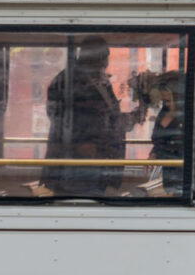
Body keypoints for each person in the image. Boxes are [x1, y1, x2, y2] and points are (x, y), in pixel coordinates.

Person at [45, 37, 133, 197]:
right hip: (78, 160)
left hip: (101, 158)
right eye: (104, 56)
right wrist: (78, 143)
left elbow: (107, 115)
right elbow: (60, 116)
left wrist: (127, 119)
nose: (106, 62)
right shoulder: (70, 79)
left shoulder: (100, 81)